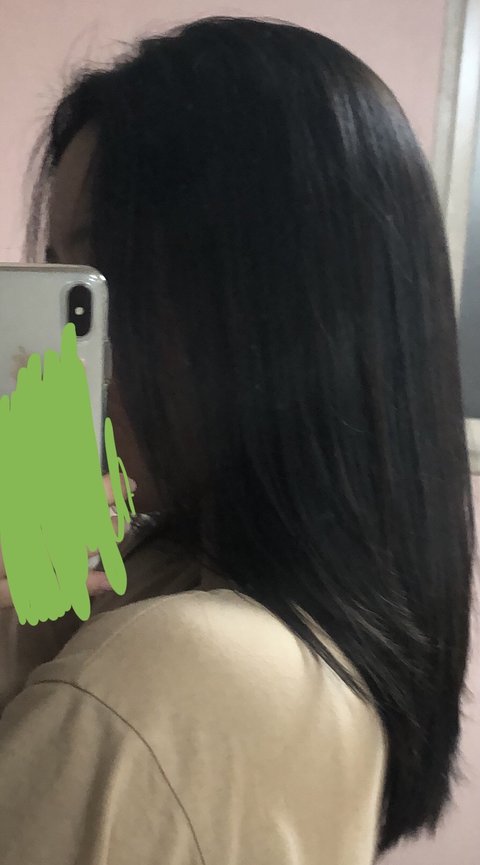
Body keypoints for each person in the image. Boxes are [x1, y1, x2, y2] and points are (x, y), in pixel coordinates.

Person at [0, 15, 474, 865]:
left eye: (108, 281)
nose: (62, 359)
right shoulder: (323, 628)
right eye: (68, 281)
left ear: (275, 313)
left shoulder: (158, 678)